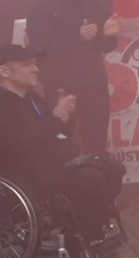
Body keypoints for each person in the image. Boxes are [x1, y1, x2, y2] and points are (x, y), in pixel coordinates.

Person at [0, 44, 126, 247]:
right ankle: (82, 238)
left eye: (34, 64)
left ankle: (92, 226)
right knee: (89, 178)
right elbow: (21, 144)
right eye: (27, 65)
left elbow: (55, 133)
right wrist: (57, 120)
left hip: (54, 162)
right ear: (4, 71)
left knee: (113, 169)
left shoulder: (31, 97)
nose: (36, 69)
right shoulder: (4, 106)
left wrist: (66, 117)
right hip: (24, 174)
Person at [26, 0, 121, 156]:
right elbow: (40, 48)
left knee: (96, 140)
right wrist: (78, 38)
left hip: (93, 81)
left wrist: (109, 35)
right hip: (60, 83)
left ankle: (96, 180)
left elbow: (106, 46)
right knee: (61, 140)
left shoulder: (95, 2)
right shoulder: (42, 7)